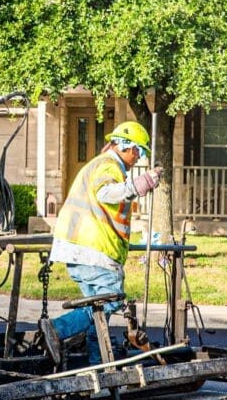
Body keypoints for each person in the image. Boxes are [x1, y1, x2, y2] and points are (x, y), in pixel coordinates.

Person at [48, 122, 163, 363]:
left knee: (98, 318)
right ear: (125, 146)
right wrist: (138, 185)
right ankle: (57, 329)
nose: (138, 157)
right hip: (95, 250)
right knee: (109, 303)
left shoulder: (97, 165)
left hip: (78, 250)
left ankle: (97, 370)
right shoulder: (108, 166)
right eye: (138, 151)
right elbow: (106, 193)